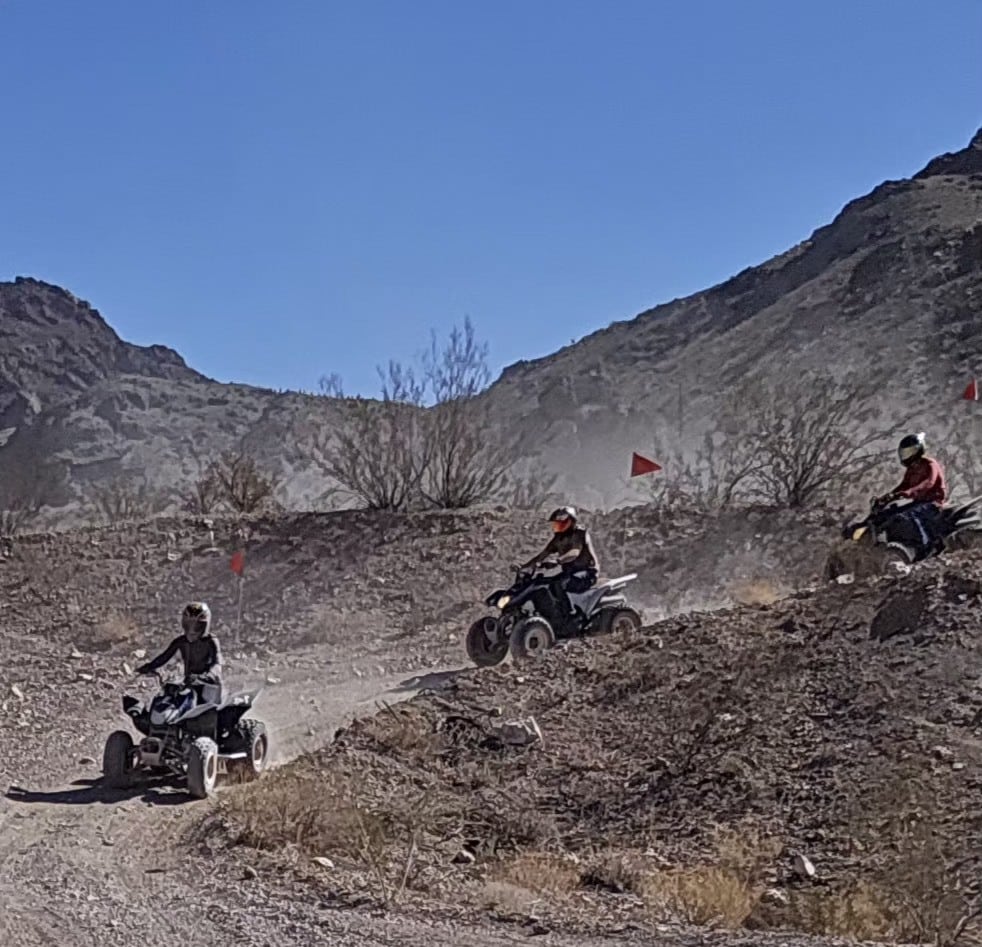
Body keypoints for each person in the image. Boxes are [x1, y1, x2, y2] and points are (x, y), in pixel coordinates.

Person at [520, 507, 600, 619]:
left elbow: (574, 552)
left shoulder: (579, 534)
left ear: (571, 522)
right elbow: (542, 555)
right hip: (570, 573)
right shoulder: (558, 539)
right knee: (544, 583)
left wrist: (558, 561)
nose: (558, 526)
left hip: (586, 572)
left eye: (562, 524)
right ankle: (552, 615)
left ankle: (570, 615)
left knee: (559, 585)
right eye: (556, 524)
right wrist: (525, 566)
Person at [135, 602, 223, 701]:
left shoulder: (211, 641)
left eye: (196, 625)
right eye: (188, 624)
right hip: (189, 684)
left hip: (209, 686)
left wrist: (209, 675)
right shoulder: (181, 641)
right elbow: (164, 657)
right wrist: (148, 667)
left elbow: (217, 663)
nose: (192, 630)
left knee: (209, 711)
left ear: (204, 625)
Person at [879, 432, 948, 555]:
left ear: (919, 449)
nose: (907, 456)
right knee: (893, 515)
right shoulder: (912, 469)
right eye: (905, 453)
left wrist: (908, 493)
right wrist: (889, 496)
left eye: (909, 452)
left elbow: (928, 483)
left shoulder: (930, 464)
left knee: (910, 515)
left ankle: (927, 546)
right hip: (919, 502)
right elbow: (904, 485)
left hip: (933, 502)